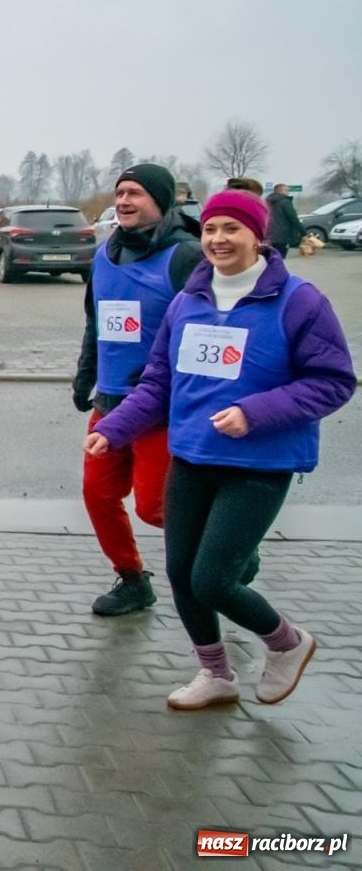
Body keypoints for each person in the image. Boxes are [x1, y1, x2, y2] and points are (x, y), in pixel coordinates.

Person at [85, 190, 354, 710]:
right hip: (191, 456)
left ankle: (287, 643)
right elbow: (159, 381)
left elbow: (332, 380)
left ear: (259, 235)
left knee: (213, 578)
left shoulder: (299, 300)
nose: (218, 240)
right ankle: (216, 675)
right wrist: (115, 427)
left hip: (259, 465)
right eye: (210, 229)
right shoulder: (189, 301)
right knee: (182, 575)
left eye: (232, 229)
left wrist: (256, 413)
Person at [73, 163, 203, 616]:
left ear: (162, 202)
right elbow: (97, 324)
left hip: (161, 407)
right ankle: (132, 579)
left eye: (136, 194)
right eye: (120, 192)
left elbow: (209, 328)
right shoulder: (105, 254)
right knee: (98, 493)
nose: (124, 201)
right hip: (109, 403)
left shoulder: (186, 255)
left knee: (155, 507)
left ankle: (228, 554)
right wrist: (84, 377)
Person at [266, 183, 302, 258]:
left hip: (269, 235)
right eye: (286, 190)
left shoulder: (268, 202)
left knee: (271, 258)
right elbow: (293, 218)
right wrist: (303, 232)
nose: (288, 192)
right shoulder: (285, 202)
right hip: (283, 236)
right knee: (280, 258)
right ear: (280, 191)